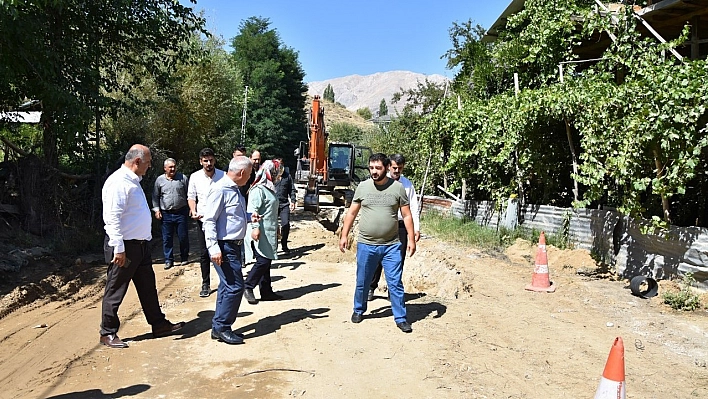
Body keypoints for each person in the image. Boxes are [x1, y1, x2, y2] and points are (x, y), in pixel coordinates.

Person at [100, 144, 185, 349]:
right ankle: (107, 332)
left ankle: (158, 324)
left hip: (140, 246)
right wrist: (118, 248)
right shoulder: (119, 182)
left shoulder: (133, 181)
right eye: (147, 163)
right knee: (115, 289)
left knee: (148, 288)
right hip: (125, 248)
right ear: (137, 161)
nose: (149, 167)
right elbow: (112, 217)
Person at [339, 153, 416, 333]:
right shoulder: (363, 187)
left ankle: (401, 317)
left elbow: (406, 214)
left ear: (387, 167)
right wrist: (344, 235)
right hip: (367, 244)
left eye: (378, 168)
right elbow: (351, 213)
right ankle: (359, 309)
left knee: (395, 282)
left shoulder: (397, 188)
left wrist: (411, 238)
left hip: (391, 245)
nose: (374, 172)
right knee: (363, 281)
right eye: (371, 168)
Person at [202, 156, 253, 345]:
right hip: (224, 247)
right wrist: (213, 247)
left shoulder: (235, 190)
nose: (249, 177)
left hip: (233, 246)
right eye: (248, 174)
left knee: (226, 286)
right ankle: (223, 327)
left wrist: (249, 217)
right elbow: (209, 220)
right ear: (241, 173)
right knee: (235, 287)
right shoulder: (220, 189)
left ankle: (218, 327)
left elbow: (231, 216)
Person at [368, 153, 421, 301]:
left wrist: (415, 229)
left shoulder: (407, 185)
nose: (397, 171)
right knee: (378, 257)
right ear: (389, 167)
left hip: (401, 226)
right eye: (394, 168)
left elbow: (413, 209)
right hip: (383, 225)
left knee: (398, 259)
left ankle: (394, 290)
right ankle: (371, 287)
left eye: (400, 168)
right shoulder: (381, 182)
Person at [243, 160, 283, 304]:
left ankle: (266, 291)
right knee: (263, 260)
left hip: (269, 231)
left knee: (267, 260)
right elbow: (252, 210)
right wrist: (255, 228)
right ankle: (248, 286)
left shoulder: (270, 188)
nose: (278, 174)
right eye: (276, 171)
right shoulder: (258, 190)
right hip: (260, 230)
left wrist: (277, 226)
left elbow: (272, 211)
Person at [188, 148, 225, 298]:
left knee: (222, 250)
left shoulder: (223, 176)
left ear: (214, 160)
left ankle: (224, 280)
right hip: (202, 220)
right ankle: (205, 283)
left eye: (210, 160)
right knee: (204, 253)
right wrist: (193, 210)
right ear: (200, 161)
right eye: (205, 161)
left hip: (220, 219)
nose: (208, 163)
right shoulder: (195, 177)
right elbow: (191, 196)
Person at [152, 158, 190, 270]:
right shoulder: (159, 180)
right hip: (166, 214)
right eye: (170, 167)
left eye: (174, 166)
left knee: (183, 237)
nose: (172, 169)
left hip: (181, 212)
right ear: (165, 168)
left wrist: (191, 209)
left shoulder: (183, 178)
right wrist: (157, 210)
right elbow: (155, 196)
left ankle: (184, 257)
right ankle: (169, 260)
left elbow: (189, 194)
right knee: (167, 238)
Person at [273, 157, 296, 252]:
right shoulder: (271, 176)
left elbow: (292, 189)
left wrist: (293, 201)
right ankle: (273, 247)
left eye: (281, 164)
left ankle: (284, 244)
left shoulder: (287, 176)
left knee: (285, 224)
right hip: (273, 205)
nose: (279, 166)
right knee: (273, 226)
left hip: (284, 204)